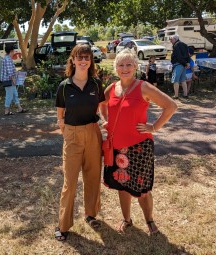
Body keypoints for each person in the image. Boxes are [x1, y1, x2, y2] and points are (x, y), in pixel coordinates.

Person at [99, 48, 177, 235]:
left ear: (135, 66)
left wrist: (154, 127)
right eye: (120, 65)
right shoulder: (112, 88)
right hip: (117, 147)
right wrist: (106, 120)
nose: (124, 68)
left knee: (142, 189)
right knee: (122, 185)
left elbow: (171, 106)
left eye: (128, 64)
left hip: (139, 147)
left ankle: (149, 221)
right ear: (115, 67)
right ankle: (126, 219)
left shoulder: (143, 87)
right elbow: (102, 104)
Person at [54, 44, 105, 241]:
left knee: (92, 177)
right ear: (73, 60)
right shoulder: (64, 86)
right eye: (79, 57)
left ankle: (90, 214)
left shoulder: (96, 84)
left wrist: (105, 121)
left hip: (93, 134)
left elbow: (101, 108)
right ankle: (63, 224)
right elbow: (60, 115)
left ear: (90, 61)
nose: (83, 61)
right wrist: (66, 132)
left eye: (87, 57)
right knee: (70, 182)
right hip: (73, 136)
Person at [0, 45, 27, 115]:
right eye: (13, 51)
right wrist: (14, 79)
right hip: (9, 80)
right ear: (11, 51)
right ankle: (7, 110)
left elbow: (10, 70)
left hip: (9, 79)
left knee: (15, 94)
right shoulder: (8, 59)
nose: (14, 52)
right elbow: (9, 71)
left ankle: (19, 108)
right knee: (9, 95)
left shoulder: (6, 58)